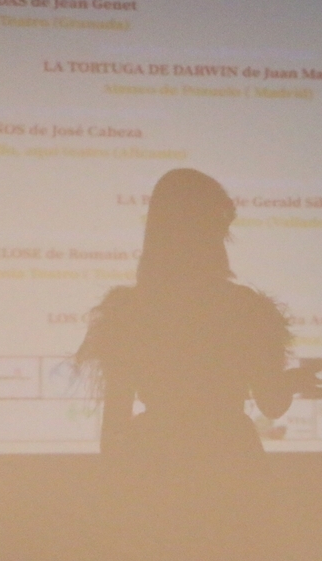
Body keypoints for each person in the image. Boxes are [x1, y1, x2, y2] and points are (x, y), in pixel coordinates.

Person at [75, 168, 305, 475]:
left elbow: (114, 425)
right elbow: (272, 404)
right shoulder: (243, 306)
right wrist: (293, 381)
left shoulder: (129, 310)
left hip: (154, 458)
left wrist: (120, 484)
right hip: (229, 456)